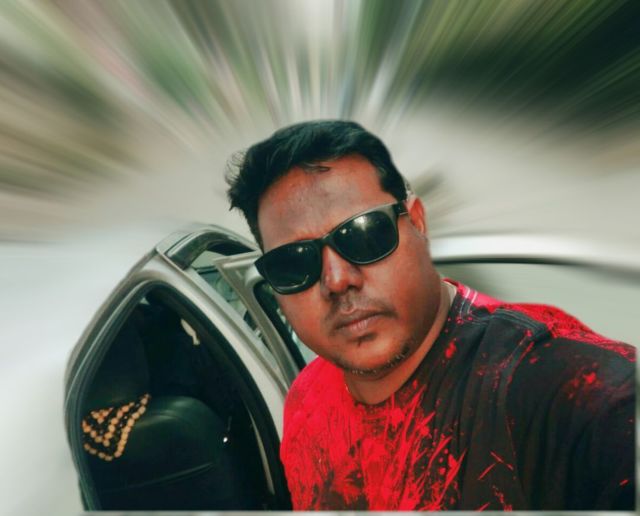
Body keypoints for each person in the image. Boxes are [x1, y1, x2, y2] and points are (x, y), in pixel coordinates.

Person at [226, 120, 635, 510]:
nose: (337, 280)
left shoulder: (572, 393)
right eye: (294, 263)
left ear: (418, 222)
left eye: (365, 234)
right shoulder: (306, 402)